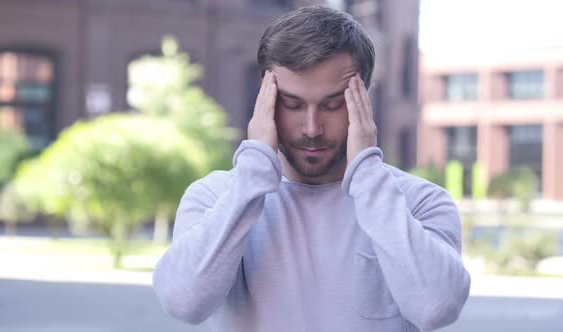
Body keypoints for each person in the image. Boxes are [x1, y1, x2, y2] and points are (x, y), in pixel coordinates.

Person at [153, 5, 470, 332]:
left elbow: (436, 308)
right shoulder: (215, 197)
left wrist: (367, 176)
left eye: (333, 105)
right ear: (266, 99)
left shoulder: (421, 203)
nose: (312, 128)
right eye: (291, 104)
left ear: (363, 99)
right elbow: (183, 303)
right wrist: (253, 172)